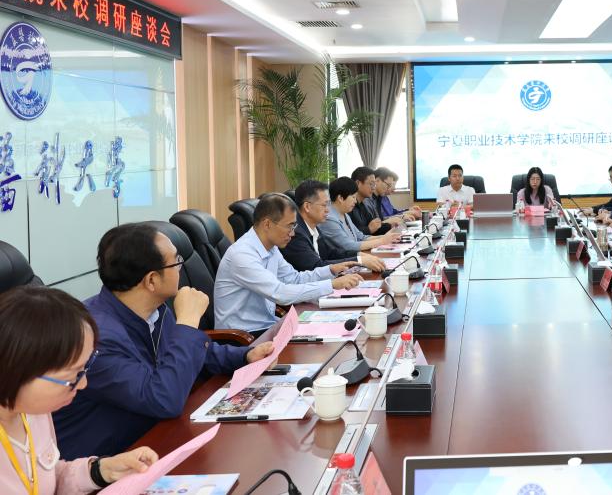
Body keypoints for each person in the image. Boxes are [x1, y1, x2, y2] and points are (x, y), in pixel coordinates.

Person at [53, 223, 275, 458]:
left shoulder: (153, 309)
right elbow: (163, 399)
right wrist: (188, 321)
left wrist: (245, 356)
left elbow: (194, 354)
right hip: (108, 460)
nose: (181, 267)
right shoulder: (96, 338)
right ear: (151, 280)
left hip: (152, 439)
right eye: (176, 261)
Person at [0, 286, 159, 493]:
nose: (83, 384)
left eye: (85, 369)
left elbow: (45, 478)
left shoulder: (33, 412)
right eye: (72, 377)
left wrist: (102, 471)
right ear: (18, 371)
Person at [214, 193, 363, 333]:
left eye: (294, 226)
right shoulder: (242, 255)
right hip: (243, 337)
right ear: (267, 224)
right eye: (289, 226)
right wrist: (332, 285)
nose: (292, 233)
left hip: (267, 326)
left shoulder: (271, 248)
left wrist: (329, 270)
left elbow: (294, 279)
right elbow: (280, 293)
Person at [281, 179, 388, 273]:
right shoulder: (295, 233)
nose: (328, 210)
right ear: (307, 207)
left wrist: (358, 255)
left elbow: (331, 253)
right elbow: (315, 266)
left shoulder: (314, 226)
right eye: (324, 205)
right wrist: (358, 261)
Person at [321, 176, 401, 255]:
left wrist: (387, 237)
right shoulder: (329, 219)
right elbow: (348, 246)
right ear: (340, 198)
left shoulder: (345, 214)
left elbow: (361, 237)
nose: (355, 201)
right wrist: (382, 241)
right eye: (353, 197)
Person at [350, 166, 399, 236]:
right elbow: (351, 235)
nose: (373, 188)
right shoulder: (349, 206)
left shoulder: (362, 205)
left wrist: (391, 225)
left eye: (374, 184)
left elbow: (375, 227)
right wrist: (369, 229)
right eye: (371, 184)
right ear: (358, 183)